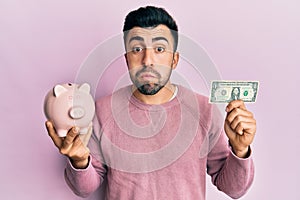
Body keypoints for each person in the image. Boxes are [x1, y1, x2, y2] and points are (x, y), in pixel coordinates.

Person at [45, 6, 256, 200]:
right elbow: (85, 188)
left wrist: (240, 150)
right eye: (137, 49)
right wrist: (79, 161)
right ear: (127, 59)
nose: (147, 60)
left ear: (174, 60)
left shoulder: (204, 111)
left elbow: (234, 189)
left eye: (159, 49)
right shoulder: (101, 111)